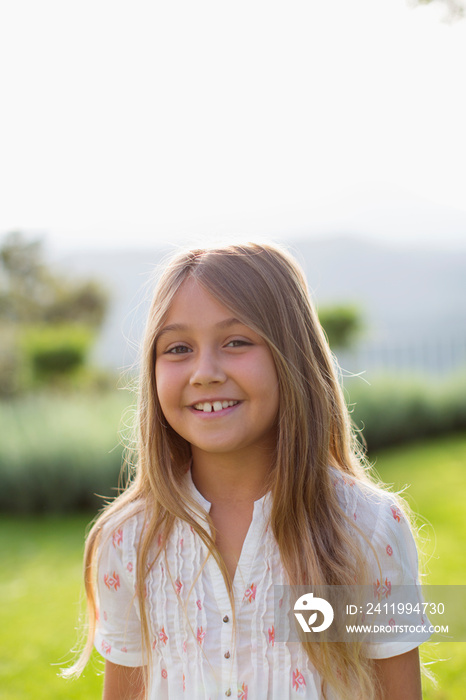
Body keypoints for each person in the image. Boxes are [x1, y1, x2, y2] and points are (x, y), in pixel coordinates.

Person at [65, 242, 430, 699]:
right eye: (177, 348)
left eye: (236, 342)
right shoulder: (128, 540)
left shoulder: (365, 527)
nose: (204, 372)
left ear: (292, 355)